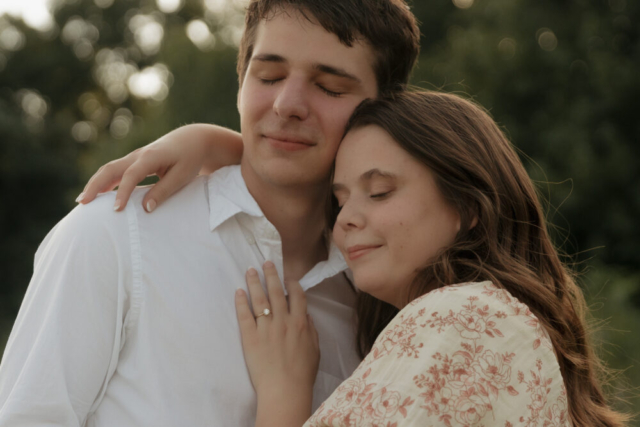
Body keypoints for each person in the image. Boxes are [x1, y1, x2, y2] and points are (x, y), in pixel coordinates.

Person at [0, 1, 420, 425]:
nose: (286, 104)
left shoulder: (385, 302)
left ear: (384, 111)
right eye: (269, 76)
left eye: (329, 86)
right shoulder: (114, 235)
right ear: (241, 84)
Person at [234, 91, 628, 425]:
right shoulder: (497, 323)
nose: (345, 222)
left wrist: (282, 396)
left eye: (380, 191)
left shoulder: (464, 316)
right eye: (339, 202)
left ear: (468, 206)